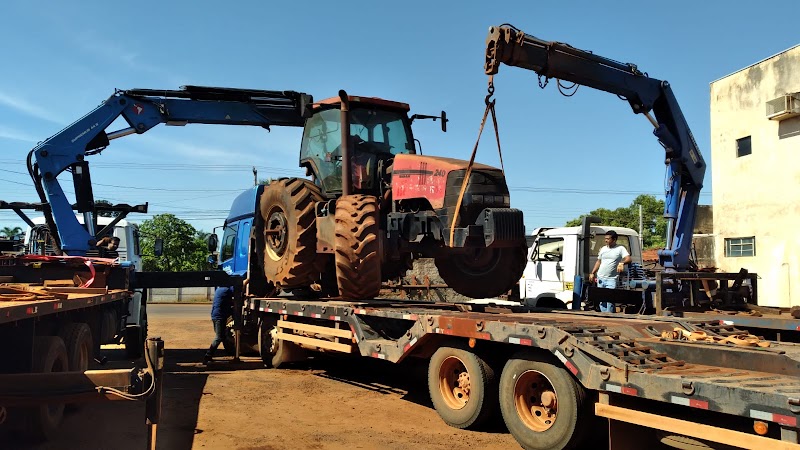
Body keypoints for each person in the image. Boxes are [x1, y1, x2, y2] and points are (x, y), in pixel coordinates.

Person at [589, 230, 632, 313]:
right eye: (605, 238)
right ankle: (604, 317)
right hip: (601, 278)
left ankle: (610, 316)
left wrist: (622, 263)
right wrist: (592, 273)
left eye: (608, 239)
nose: (606, 240)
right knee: (601, 300)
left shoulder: (620, 248)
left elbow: (629, 259)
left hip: (612, 279)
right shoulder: (603, 249)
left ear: (614, 239)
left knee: (610, 301)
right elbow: (599, 261)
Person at [204, 286, 233, 364]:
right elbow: (238, 290)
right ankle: (208, 355)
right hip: (219, 317)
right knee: (219, 337)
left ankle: (231, 352)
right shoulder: (226, 289)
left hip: (216, 316)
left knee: (223, 336)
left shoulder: (219, 289)